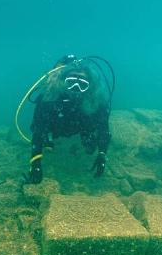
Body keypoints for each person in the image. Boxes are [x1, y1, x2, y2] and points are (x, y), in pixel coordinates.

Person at [22, 54, 114, 184]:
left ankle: (85, 136)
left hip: (82, 127)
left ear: (91, 85)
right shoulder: (50, 97)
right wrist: (35, 162)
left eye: (82, 83)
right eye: (71, 81)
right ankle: (49, 139)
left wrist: (102, 154)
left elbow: (103, 129)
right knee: (43, 136)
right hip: (55, 128)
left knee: (90, 145)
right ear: (63, 80)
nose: (76, 87)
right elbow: (38, 128)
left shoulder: (96, 101)